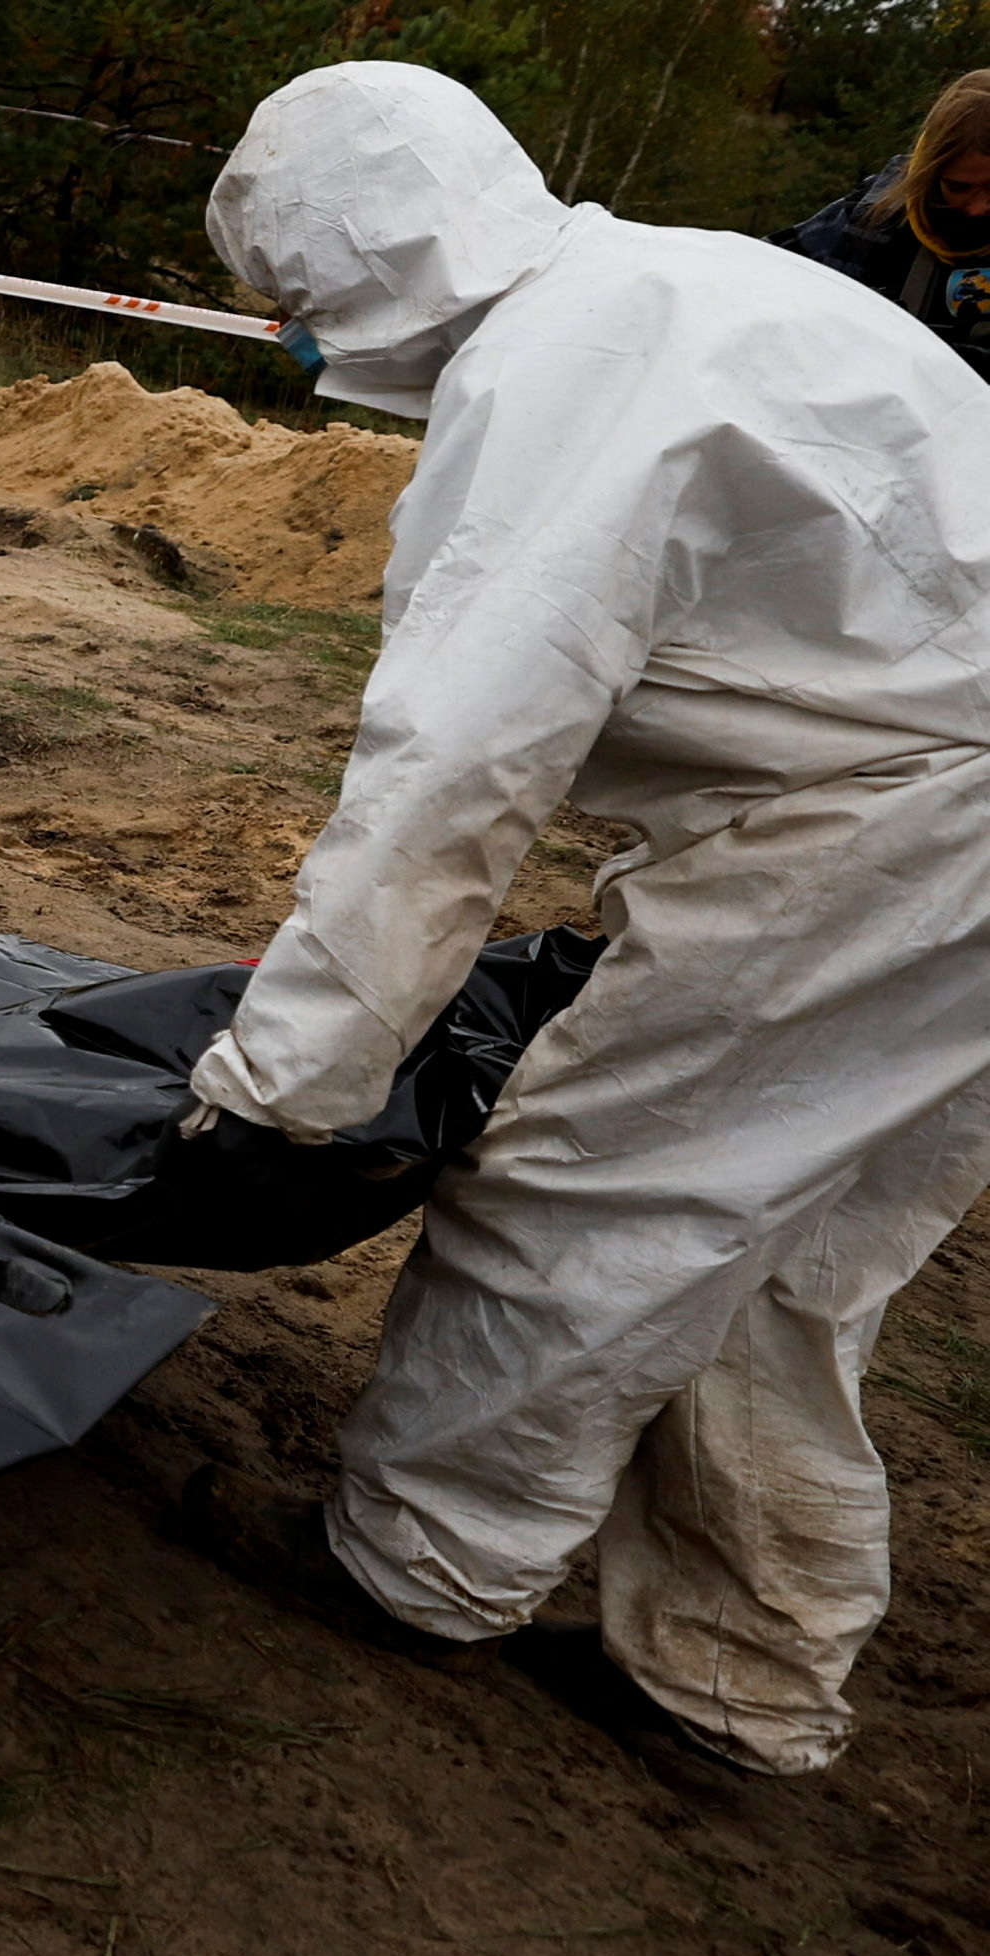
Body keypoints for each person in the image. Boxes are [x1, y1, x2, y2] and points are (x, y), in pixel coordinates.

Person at [177, 61, 990, 1777]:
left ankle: (417, 1570)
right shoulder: (686, 292)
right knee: (782, 1250)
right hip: (931, 809)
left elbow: (454, 766)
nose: (294, 342)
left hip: (920, 829)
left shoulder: (573, 369)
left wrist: (290, 1089)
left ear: (348, 261)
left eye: (288, 302)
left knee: (591, 1185)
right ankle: (737, 1675)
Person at [772, 67, 990, 388]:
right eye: (957, 187)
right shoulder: (876, 211)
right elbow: (766, 270)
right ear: (928, 169)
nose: (977, 208)